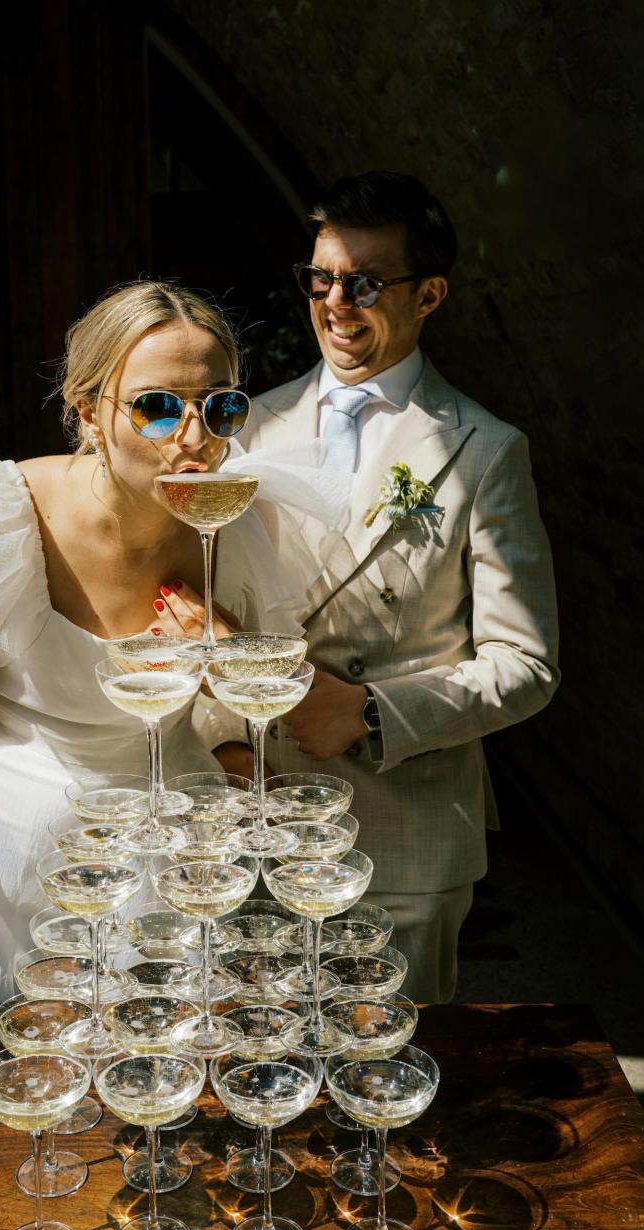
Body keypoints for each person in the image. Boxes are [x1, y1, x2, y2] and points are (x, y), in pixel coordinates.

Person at [0, 281, 319, 1030]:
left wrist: (226, 659)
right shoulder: (3, 514)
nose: (193, 439)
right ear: (89, 411)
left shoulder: (239, 525)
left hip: (168, 829)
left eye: (219, 406)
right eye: (157, 406)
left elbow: (246, 699)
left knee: (153, 1084)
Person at [221, 171, 560, 1003]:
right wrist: (222, 739)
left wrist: (371, 711)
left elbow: (527, 664)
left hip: (402, 837)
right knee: (259, 1078)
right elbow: (206, 605)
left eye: (365, 282)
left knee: (387, 1098)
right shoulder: (245, 426)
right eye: (321, 278)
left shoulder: (484, 450)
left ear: (429, 293)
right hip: (251, 816)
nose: (337, 302)